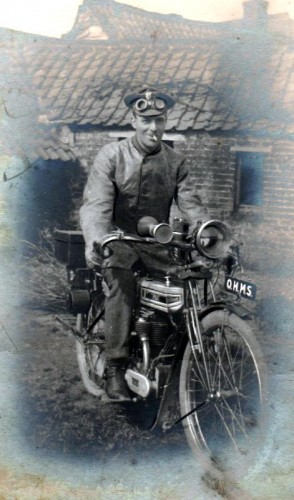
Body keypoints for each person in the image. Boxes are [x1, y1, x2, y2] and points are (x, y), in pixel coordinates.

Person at [80, 87, 206, 401]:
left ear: (166, 121)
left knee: (182, 287)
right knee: (122, 283)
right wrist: (96, 240)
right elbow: (96, 205)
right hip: (119, 240)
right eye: (146, 120)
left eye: (159, 120)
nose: (153, 127)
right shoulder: (112, 155)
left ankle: (176, 359)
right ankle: (115, 367)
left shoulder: (176, 161)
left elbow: (192, 205)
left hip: (157, 243)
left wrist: (206, 232)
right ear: (134, 120)